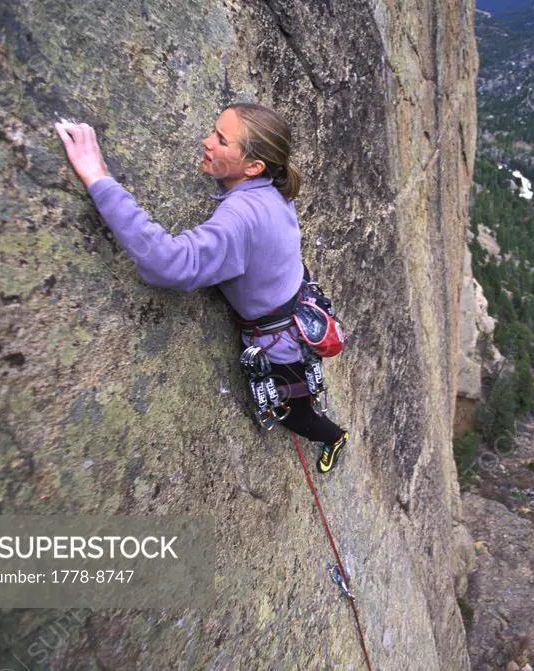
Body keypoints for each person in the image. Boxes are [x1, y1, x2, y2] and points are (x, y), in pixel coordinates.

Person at [54, 104, 349, 473]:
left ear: (253, 166)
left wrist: (99, 179)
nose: (206, 142)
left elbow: (169, 264)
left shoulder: (239, 217)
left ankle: (334, 436)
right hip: (298, 307)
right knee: (300, 384)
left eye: (222, 140)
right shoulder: (273, 190)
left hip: (281, 339)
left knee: (292, 412)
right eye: (214, 131)